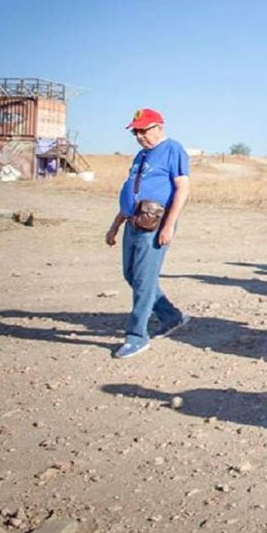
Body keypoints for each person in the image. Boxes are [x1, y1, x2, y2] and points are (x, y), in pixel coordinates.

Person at [105, 108, 192, 359]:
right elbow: (133, 192)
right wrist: (115, 224)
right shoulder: (141, 155)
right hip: (133, 221)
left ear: (158, 127)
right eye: (136, 132)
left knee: (143, 280)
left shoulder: (173, 149)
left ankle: (136, 336)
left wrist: (168, 225)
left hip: (155, 224)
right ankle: (171, 316)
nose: (140, 136)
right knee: (131, 275)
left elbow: (182, 189)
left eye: (144, 130)